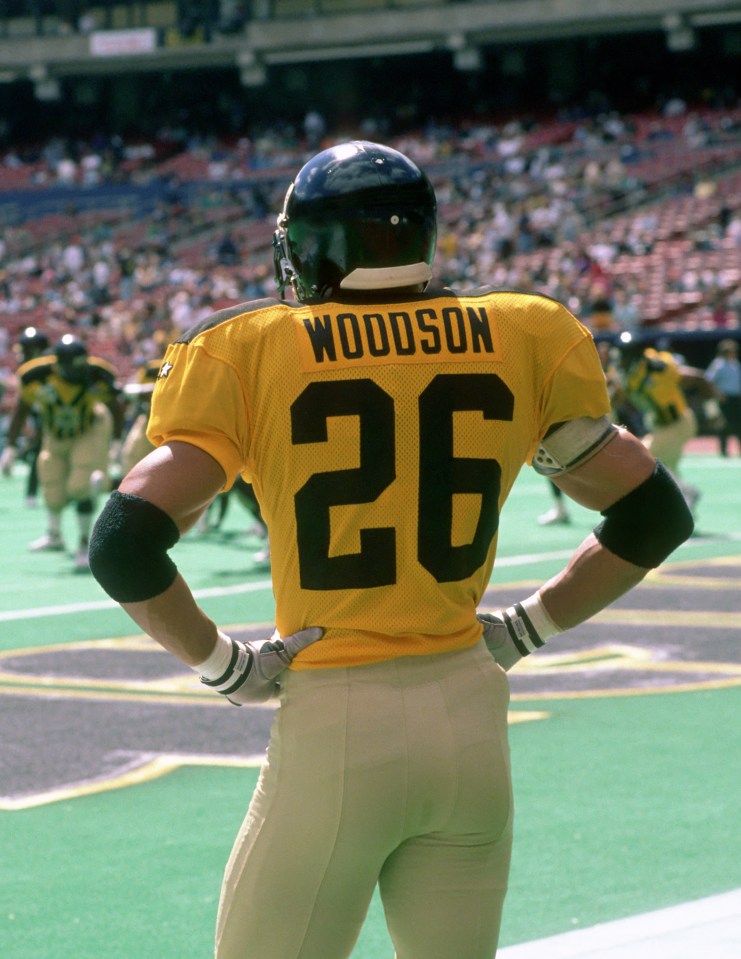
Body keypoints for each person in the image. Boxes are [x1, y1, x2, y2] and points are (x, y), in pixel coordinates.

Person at [89, 141, 693, 959]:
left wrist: (226, 664)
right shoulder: (523, 330)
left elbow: (124, 541)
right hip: (470, 719)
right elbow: (653, 514)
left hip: (337, 723)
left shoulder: (251, 346)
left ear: (308, 245)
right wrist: (525, 628)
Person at [2, 333, 124, 570]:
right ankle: (55, 535)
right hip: (55, 433)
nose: (78, 372)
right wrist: (9, 446)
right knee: (52, 486)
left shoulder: (97, 374)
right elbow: (22, 409)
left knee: (81, 484)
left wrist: (117, 442)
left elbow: (114, 407)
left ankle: (83, 542)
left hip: (88, 428)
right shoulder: (35, 376)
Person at [624, 344, 715, 512]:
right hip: (662, 427)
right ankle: (680, 504)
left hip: (678, 423)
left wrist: (712, 412)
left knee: (644, 456)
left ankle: (687, 492)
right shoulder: (630, 374)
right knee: (666, 469)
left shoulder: (658, 368)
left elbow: (699, 378)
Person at [0, 325, 51, 506]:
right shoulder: (30, 376)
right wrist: (10, 446)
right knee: (40, 451)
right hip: (50, 423)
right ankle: (32, 493)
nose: (20, 357)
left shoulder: (57, 372)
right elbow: (22, 410)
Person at [704, 338, 741, 456]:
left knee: (738, 423)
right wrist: (718, 394)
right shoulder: (718, 364)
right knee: (724, 424)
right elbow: (709, 380)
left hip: (736, 398)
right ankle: (723, 450)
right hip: (725, 398)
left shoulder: (735, 363)